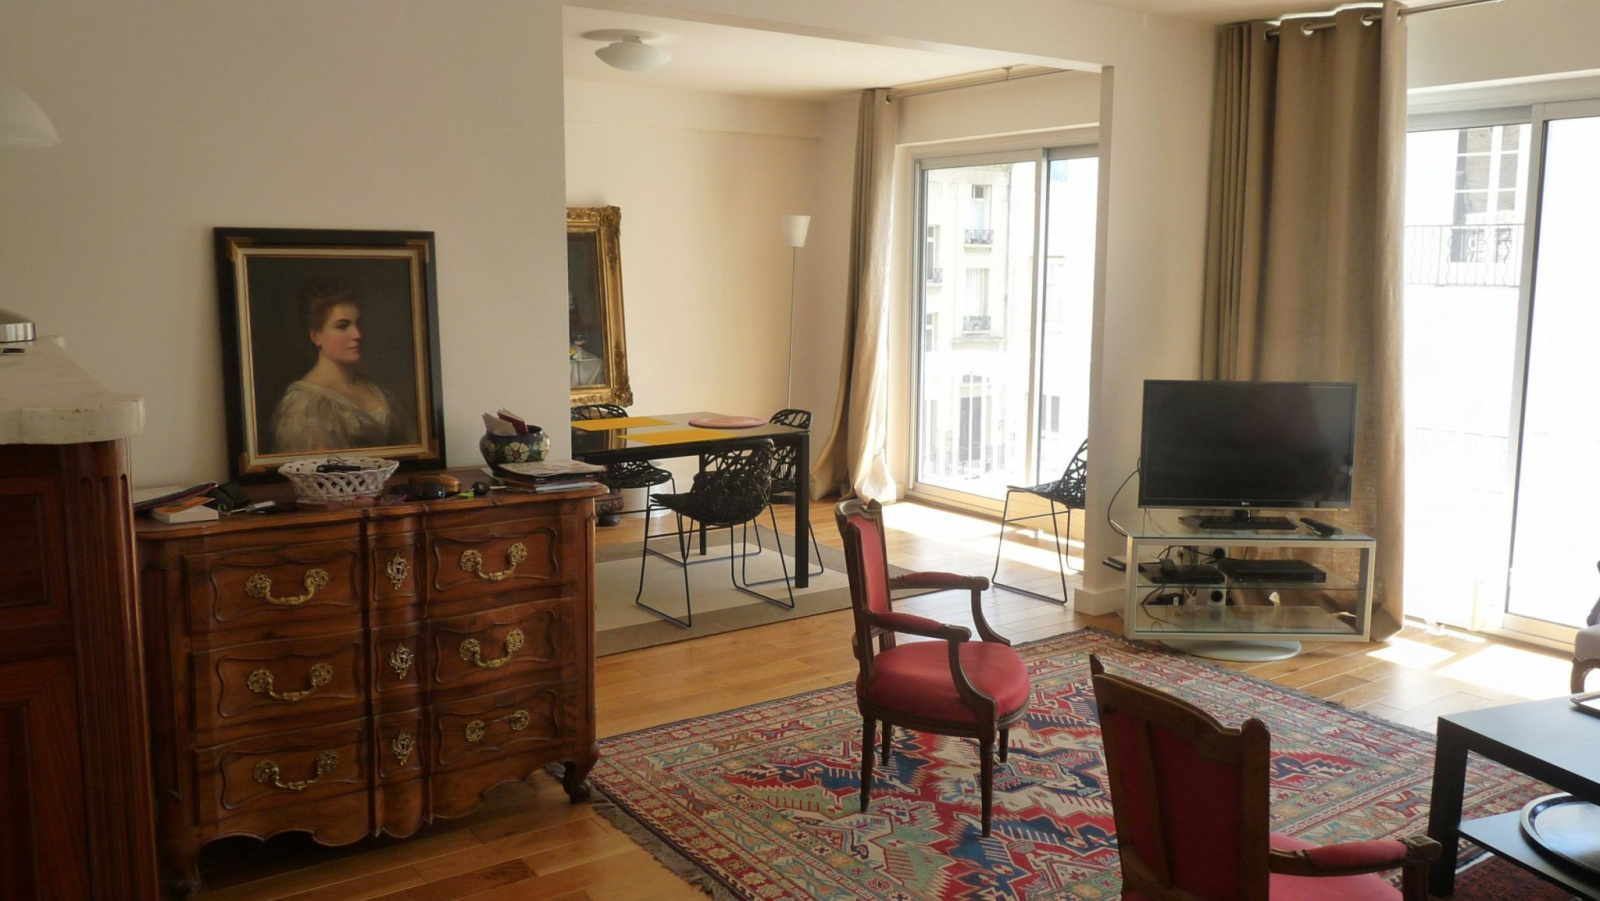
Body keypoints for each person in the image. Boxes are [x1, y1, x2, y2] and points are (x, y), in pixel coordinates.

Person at [269, 278, 406, 454]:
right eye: (342, 326)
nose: (357, 334)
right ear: (316, 336)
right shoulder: (304, 406)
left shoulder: (377, 390)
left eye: (358, 323)